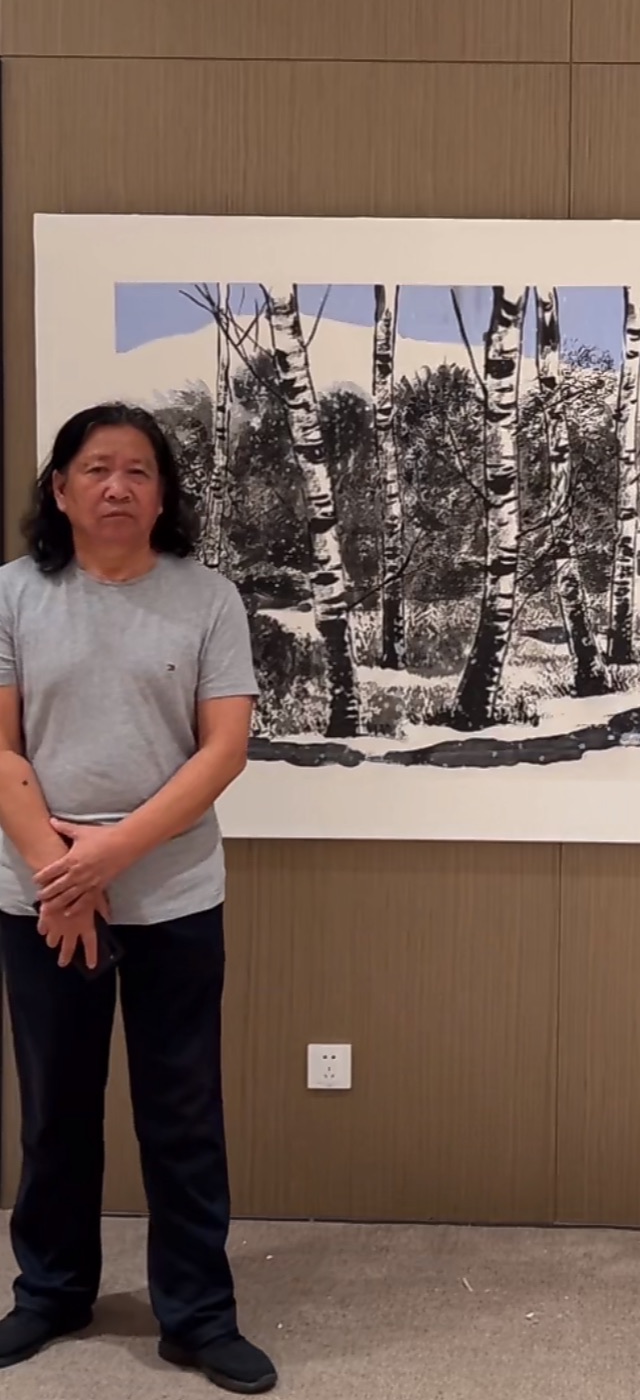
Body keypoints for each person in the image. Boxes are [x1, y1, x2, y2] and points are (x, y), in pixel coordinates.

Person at [0, 403, 276, 1394]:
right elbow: (0, 749)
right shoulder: (12, 594)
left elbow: (224, 748)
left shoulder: (208, 598)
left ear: (163, 494)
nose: (117, 486)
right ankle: (52, 1289)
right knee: (56, 1106)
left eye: (139, 471)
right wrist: (61, 875)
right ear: (61, 488)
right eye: (96, 468)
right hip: (42, 896)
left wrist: (107, 855)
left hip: (173, 893)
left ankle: (197, 1314)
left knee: (183, 1109)